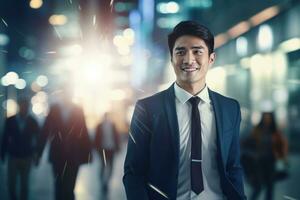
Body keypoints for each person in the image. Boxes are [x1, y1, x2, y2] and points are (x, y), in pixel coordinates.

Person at [123, 20, 246, 200]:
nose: (189, 60)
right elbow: (134, 173)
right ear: (172, 58)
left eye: (197, 51)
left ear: (211, 59)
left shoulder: (230, 108)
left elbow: (233, 167)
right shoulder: (147, 109)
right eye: (180, 52)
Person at [37, 88, 92, 200]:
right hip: (57, 155)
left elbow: (84, 132)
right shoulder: (54, 109)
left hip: (73, 155)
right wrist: (38, 152)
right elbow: (45, 130)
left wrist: (88, 154)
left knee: (70, 187)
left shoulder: (78, 110)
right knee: (58, 185)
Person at [242, 112, 288, 200]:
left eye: (269, 118)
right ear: (262, 119)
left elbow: (281, 145)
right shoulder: (256, 130)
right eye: (265, 118)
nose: (267, 120)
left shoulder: (275, 132)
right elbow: (247, 143)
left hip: (271, 160)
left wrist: (283, 157)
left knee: (270, 186)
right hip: (258, 161)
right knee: (258, 186)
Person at [1, 98, 40, 200]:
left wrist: (36, 154)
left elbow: (37, 139)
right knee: (11, 184)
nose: (24, 108)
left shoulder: (32, 121)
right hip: (13, 155)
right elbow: (5, 137)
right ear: (19, 107)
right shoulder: (10, 120)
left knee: (24, 184)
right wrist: (3, 153)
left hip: (26, 156)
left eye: (26, 106)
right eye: (23, 106)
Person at [94, 112, 120, 199]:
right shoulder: (100, 125)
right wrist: (96, 148)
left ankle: (106, 181)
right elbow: (96, 138)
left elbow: (116, 137)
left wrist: (117, 147)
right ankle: (103, 181)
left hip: (111, 149)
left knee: (110, 166)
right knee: (103, 165)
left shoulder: (112, 125)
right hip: (103, 149)